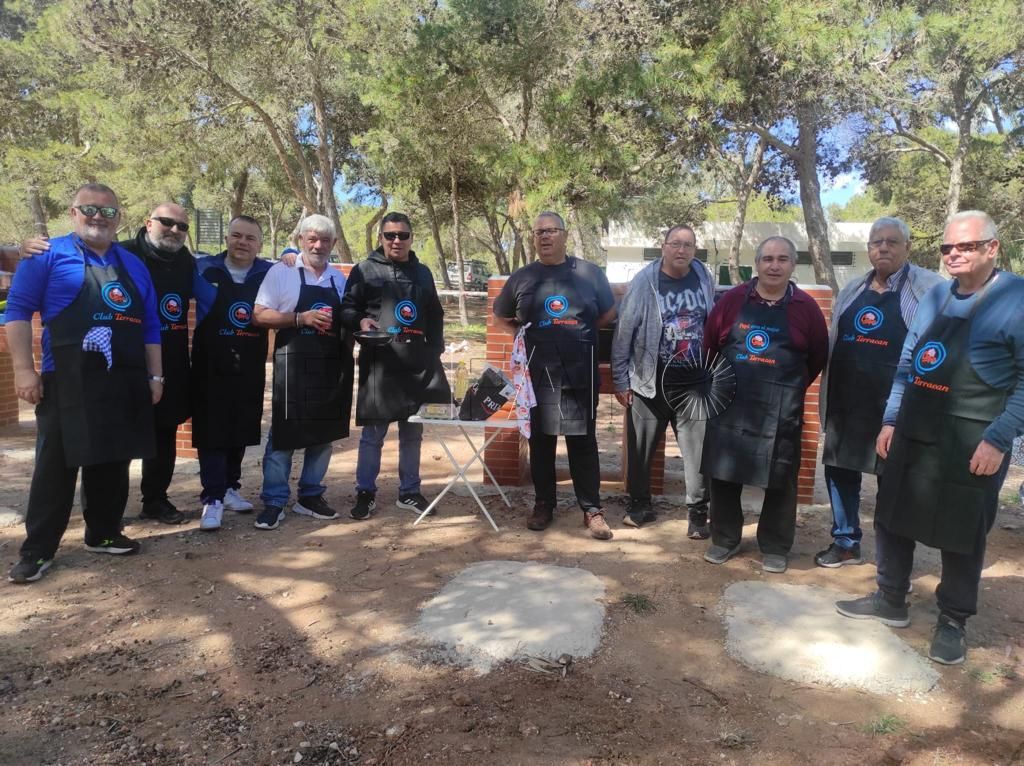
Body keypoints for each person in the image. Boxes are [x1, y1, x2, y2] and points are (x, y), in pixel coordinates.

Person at [836, 211, 1024, 665]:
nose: (954, 255)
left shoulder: (1016, 298)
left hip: (973, 440)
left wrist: (999, 439)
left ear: (991, 248)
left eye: (965, 246)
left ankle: (953, 621)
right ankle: (890, 598)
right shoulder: (936, 296)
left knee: (963, 533)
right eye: (947, 248)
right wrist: (891, 419)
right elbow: (908, 361)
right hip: (914, 428)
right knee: (891, 514)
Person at [7, 183, 163, 584]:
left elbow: (149, 325)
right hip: (67, 378)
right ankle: (38, 550)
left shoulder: (133, 264)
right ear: (73, 213)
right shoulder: (46, 255)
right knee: (56, 466)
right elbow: (19, 312)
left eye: (108, 212)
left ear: (119, 219)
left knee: (113, 458)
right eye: (89, 210)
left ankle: (104, 532)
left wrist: (155, 375)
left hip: (124, 377)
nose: (99, 218)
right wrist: (24, 370)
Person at [19, 204, 201, 524]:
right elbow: (23, 303)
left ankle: (153, 501)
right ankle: (72, 531)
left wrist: (288, 254)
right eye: (167, 223)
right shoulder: (125, 254)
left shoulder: (187, 262)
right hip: (110, 364)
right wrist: (25, 246)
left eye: (182, 226)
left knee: (163, 432)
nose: (174, 230)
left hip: (164, 359)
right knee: (102, 444)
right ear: (148, 223)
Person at [816, 217, 944, 567]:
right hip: (846, 402)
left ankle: (892, 558)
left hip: (895, 407)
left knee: (894, 482)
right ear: (869, 248)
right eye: (876, 242)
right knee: (839, 472)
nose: (883, 247)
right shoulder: (853, 289)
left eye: (891, 241)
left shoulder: (930, 288)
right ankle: (845, 541)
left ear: (907, 247)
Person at [701, 236, 828, 573]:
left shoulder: (806, 308)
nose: (774, 265)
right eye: (768, 258)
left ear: (792, 265)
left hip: (779, 411)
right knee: (724, 475)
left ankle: (774, 545)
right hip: (731, 404)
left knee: (781, 476)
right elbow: (710, 344)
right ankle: (725, 539)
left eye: (782, 259)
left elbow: (817, 356)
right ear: (756, 264)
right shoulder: (731, 301)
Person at [493, 212, 617, 540]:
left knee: (583, 442)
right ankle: (544, 504)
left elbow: (608, 313)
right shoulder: (522, 278)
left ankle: (592, 510)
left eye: (550, 231)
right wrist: (522, 338)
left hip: (580, 372)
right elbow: (500, 315)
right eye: (538, 233)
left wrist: (582, 333)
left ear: (563, 234)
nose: (544, 237)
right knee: (542, 442)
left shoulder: (590, 273)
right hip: (538, 374)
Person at [339, 212, 450, 520]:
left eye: (403, 235)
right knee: (373, 434)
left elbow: (435, 314)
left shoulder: (423, 272)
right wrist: (358, 320)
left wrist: (435, 350)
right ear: (381, 238)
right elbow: (346, 308)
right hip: (379, 364)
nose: (397, 241)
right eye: (390, 235)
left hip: (416, 364)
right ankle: (365, 493)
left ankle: (410, 492)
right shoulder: (364, 269)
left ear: (411, 238)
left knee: (412, 433)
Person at [250, 215, 353, 530]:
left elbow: (349, 317)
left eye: (324, 240)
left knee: (322, 437)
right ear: (300, 240)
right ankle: (274, 501)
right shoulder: (281, 272)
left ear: (333, 244)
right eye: (311, 239)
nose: (318, 245)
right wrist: (300, 319)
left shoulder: (339, 279)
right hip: (293, 366)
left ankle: (310, 496)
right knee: (283, 437)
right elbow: (259, 315)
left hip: (330, 367)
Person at [611, 224, 714, 534]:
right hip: (649, 380)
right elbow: (624, 329)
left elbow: (711, 317)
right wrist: (620, 379)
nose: (681, 250)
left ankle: (697, 514)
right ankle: (640, 507)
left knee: (698, 452)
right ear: (664, 247)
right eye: (675, 244)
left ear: (694, 249)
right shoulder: (646, 282)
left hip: (694, 381)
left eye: (688, 245)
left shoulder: (702, 275)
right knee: (640, 450)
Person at [190, 216, 273, 530]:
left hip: (249, 362)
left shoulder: (269, 272)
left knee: (241, 426)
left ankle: (230, 487)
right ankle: (211, 498)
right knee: (212, 430)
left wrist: (292, 251)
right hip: (210, 363)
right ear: (227, 237)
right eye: (237, 235)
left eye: (250, 238)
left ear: (259, 244)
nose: (243, 242)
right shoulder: (201, 268)